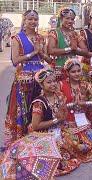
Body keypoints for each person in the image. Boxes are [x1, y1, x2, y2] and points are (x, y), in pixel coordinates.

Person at [4, 10, 51, 147]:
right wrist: (34, 52)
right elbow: (15, 60)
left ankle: (37, 138)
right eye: (30, 19)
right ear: (24, 20)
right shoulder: (17, 38)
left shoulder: (41, 38)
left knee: (37, 109)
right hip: (24, 80)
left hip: (40, 80)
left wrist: (41, 52)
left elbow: (48, 59)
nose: (33, 22)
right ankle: (22, 140)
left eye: (35, 19)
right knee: (23, 110)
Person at [29, 69, 82, 176]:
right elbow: (35, 126)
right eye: (49, 82)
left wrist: (62, 117)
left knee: (80, 146)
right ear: (41, 85)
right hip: (43, 133)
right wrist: (56, 120)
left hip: (59, 129)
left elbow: (64, 114)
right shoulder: (39, 103)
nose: (53, 84)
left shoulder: (59, 96)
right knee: (59, 158)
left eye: (54, 81)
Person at [59, 58, 92, 152]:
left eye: (79, 71)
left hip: (83, 121)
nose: (77, 74)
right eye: (73, 72)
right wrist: (69, 105)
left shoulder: (85, 84)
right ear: (67, 73)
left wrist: (85, 103)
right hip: (67, 123)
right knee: (78, 147)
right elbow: (55, 104)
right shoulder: (61, 85)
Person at [47, 7, 87, 74]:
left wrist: (76, 49)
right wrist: (70, 49)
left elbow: (85, 51)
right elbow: (51, 50)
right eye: (67, 18)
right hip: (59, 68)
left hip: (74, 69)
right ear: (61, 19)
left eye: (72, 19)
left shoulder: (75, 34)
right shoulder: (54, 33)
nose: (70, 21)